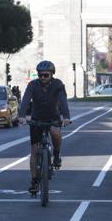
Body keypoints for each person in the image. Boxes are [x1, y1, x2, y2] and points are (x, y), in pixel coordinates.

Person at [18, 60, 71, 195]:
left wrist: (66, 117)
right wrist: (22, 115)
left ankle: (57, 154)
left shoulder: (58, 84)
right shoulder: (32, 85)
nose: (42, 78)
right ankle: (34, 181)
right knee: (34, 150)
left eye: (45, 75)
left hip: (53, 117)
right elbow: (25, 100)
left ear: (52, 74)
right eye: (40, 75)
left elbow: (63, 101)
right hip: (37, 118)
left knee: (55, 132)